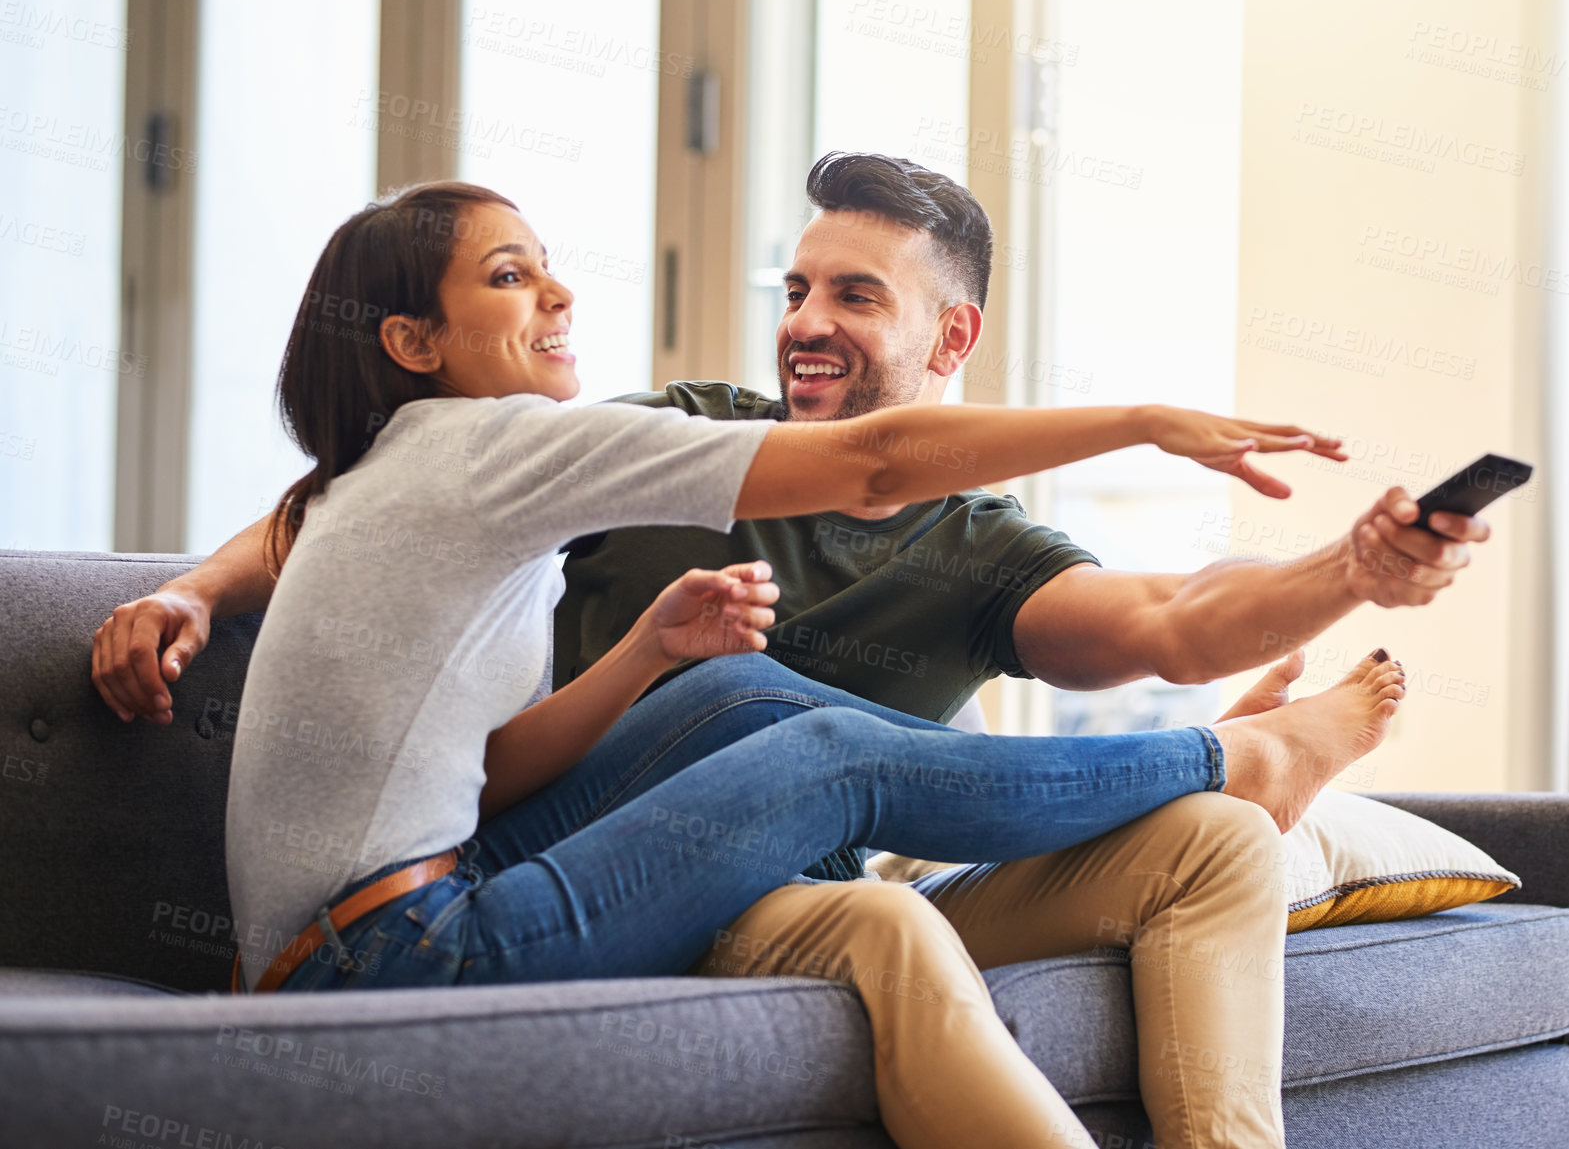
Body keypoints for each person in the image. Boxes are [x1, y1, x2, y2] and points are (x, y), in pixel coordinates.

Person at [90, 172, 1425, 1149]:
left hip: (394, 907)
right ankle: (1222, 755)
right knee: (838, 768)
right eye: (509, 276)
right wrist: (1142, 418)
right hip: (389, 952)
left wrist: (1350, 572)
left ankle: (1231, 781)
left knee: (734, 690)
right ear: (413, 344)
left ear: (947, 336)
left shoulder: (437, 459)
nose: (556, 290)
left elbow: (1174, 615)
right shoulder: (509, 443)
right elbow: (872, 459)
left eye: (854, 292)